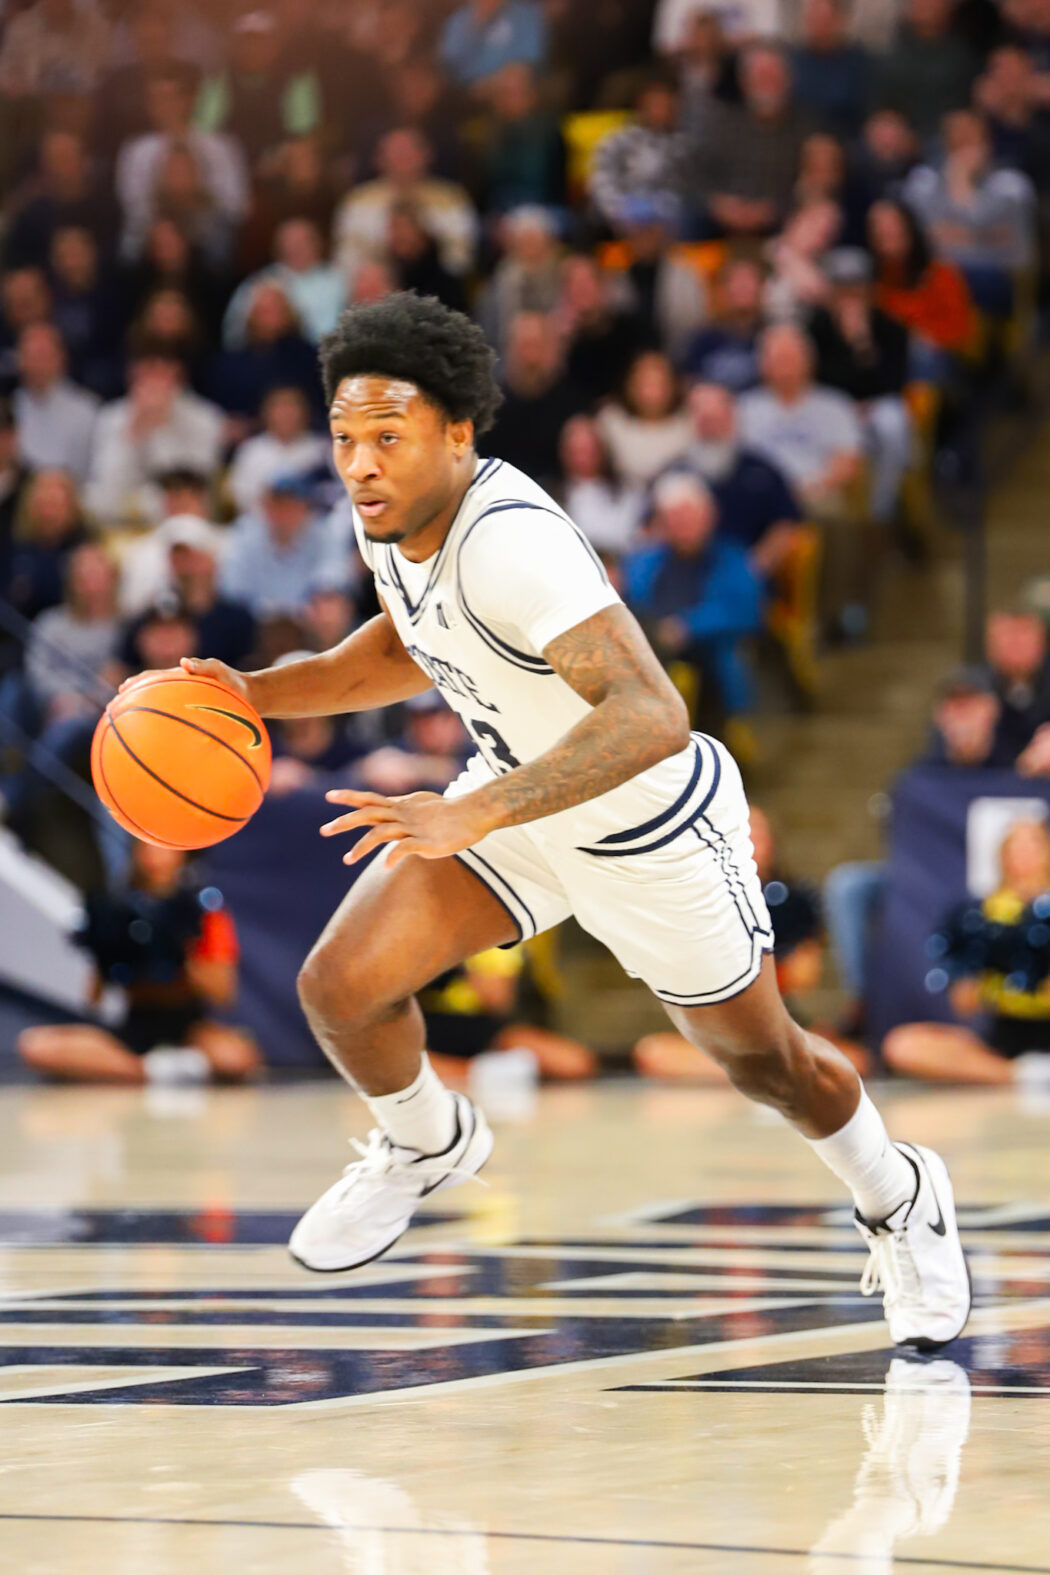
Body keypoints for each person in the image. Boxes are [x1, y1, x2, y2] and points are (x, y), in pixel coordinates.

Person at [130, 292, 971, 1351]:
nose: (360, 465)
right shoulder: (390, 516)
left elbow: (652, 714)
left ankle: (899, 1193)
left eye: (386, 437)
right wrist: (251, 693)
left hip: (645, 830)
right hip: (518, 805)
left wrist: (471, 811)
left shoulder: (513, 544)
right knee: (339, 989)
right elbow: (405, 643)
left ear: (457, 433)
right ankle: (426, 1141)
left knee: (769, 1066)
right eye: (345, 439)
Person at [634, 805, 867, 1079]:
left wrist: (747, 975)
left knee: (849, 1057)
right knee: (653, 1052)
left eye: (758, 834)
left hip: (777, 1021)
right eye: (741, 832)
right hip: (719, 1027)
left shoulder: (795, 899)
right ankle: (763, 1072)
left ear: (772, 843)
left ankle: (754, 1071)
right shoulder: (700, 901)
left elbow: (803, 975)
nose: (750, 842)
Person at [18, 841, 260, 1085]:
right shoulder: (115, 910)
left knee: (236, 1058)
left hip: (188, 1025)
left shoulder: (201, 911)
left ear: (182, 855)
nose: (154, 857)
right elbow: (94, 999)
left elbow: (224, 994)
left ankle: (151, 1067)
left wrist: (181, 953)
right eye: (146, 847)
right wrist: (110, 949)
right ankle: (153, 1070)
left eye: (164, 848)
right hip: (135, 1024)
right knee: (37, 1047)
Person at [883, 820, 1050, 1087]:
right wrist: (982, 963)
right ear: (1002, 856)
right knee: (903, 1045)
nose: (1025, 853)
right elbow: (965, 1004)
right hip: (1005, 1037)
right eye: (1016, 845)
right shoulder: (979, 915)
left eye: (1034, 843)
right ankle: (1024, 1074)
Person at [623, 470, 764, 724]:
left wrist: (687, 626)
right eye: (675, 516)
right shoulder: (645, 561)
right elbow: (629, 602)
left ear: (709, 516)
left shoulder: (733, 558)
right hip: (649, 643)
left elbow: (746, 611)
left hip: (707, 650)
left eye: (689, 514)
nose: (683, 523)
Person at [808, 248, 911, 524]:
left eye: (856, 287)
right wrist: (844, 405)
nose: (850, 296)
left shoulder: (889, 328)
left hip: (875, 406)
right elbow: (816, 379)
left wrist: (862, 344)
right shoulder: (816, 327)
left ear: (869, 290)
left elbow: (893, 382)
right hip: (830, 407)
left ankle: (882, 512)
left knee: (893, 423)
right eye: (842, 288)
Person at [902, 110, 1036, 318]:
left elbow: (1015, 252)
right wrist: (983, 236)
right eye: (957, 145)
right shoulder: (923, 183)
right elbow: (922, 242)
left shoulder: (1011, 185)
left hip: (1001, 281)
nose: (964, 155)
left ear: (988, 144)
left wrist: (961, 186)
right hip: (938, 282)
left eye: (971, 143)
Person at [85, 340, 224, 527]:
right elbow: (107, 490)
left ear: (179, 376)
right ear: (132, 374)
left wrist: (163, 427)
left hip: (183, 524)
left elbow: (191, 488)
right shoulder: (110, 417)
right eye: (148, 372)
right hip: (121, 525)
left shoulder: (205, 419)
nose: (155, 382)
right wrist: (134, 432)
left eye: (163, 373)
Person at [678, 382, 805, 580]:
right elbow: (649, 529)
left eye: (717, 419)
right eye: (705, 421)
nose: (712, 429)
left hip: (745, 572)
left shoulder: (762, 472)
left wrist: (756, 565)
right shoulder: (676, 471)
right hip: (682, 575)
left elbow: (787, 523)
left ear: (733, 418)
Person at [739, 322, 863, 520]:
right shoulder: (743, 408)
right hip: (760, 495)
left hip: (817, 493)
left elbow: (848, 463)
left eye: (791, 358)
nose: (785, 366)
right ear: (763, 364)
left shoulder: (835, 406)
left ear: (809, 361)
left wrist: (813, 485)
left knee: (828, 506)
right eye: (778, 359)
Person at [867, 199, 977, 382]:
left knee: (921, 355)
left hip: (937, 361)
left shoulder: (941, 274)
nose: (884, 230)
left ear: (909, 229)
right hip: (888, 359)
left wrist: (915, 335)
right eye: (877, 227)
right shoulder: (870, 282)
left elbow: (961, 331)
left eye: (892, 227)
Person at [220, 475, 345, 618]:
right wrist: (272, 611)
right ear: (265, 507)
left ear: (306, 509)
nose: (284, 514)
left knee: (331, 610)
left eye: (291, 506)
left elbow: (333, 579)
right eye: (277, 505)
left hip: (308, 620)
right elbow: (233, 587)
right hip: (255, 621)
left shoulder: (324, 534)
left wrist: (299, 610)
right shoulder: (246, 532)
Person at [13, 322, 98, 483]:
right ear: (20, 361)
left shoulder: (86, 410)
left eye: (42, 356)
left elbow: (90, 472)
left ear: (60, 358)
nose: (36, 365)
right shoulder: (10, 406)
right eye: (30, 356)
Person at [595, 349, 694, 488]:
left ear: (673, 386)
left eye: (659, 384)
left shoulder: (691, 422)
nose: (652, 393)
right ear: (630, 386)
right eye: (645, 384)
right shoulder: (610, 421)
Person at [227, 386, 329, 514]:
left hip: (313, 520)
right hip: (261, 520)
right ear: (265, 413)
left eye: (292, 407)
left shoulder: (321, 450)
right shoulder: (251, 450)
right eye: (280, 408)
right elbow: (240, 498)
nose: (286, 414)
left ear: (306, 412)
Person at [556, 414, 643, 559]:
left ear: (602, 450)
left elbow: (632, 540)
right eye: (577, 451)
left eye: (589, 450)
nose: (583, 458)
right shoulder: (550, 494)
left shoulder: (627, 492)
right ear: (564, 453)